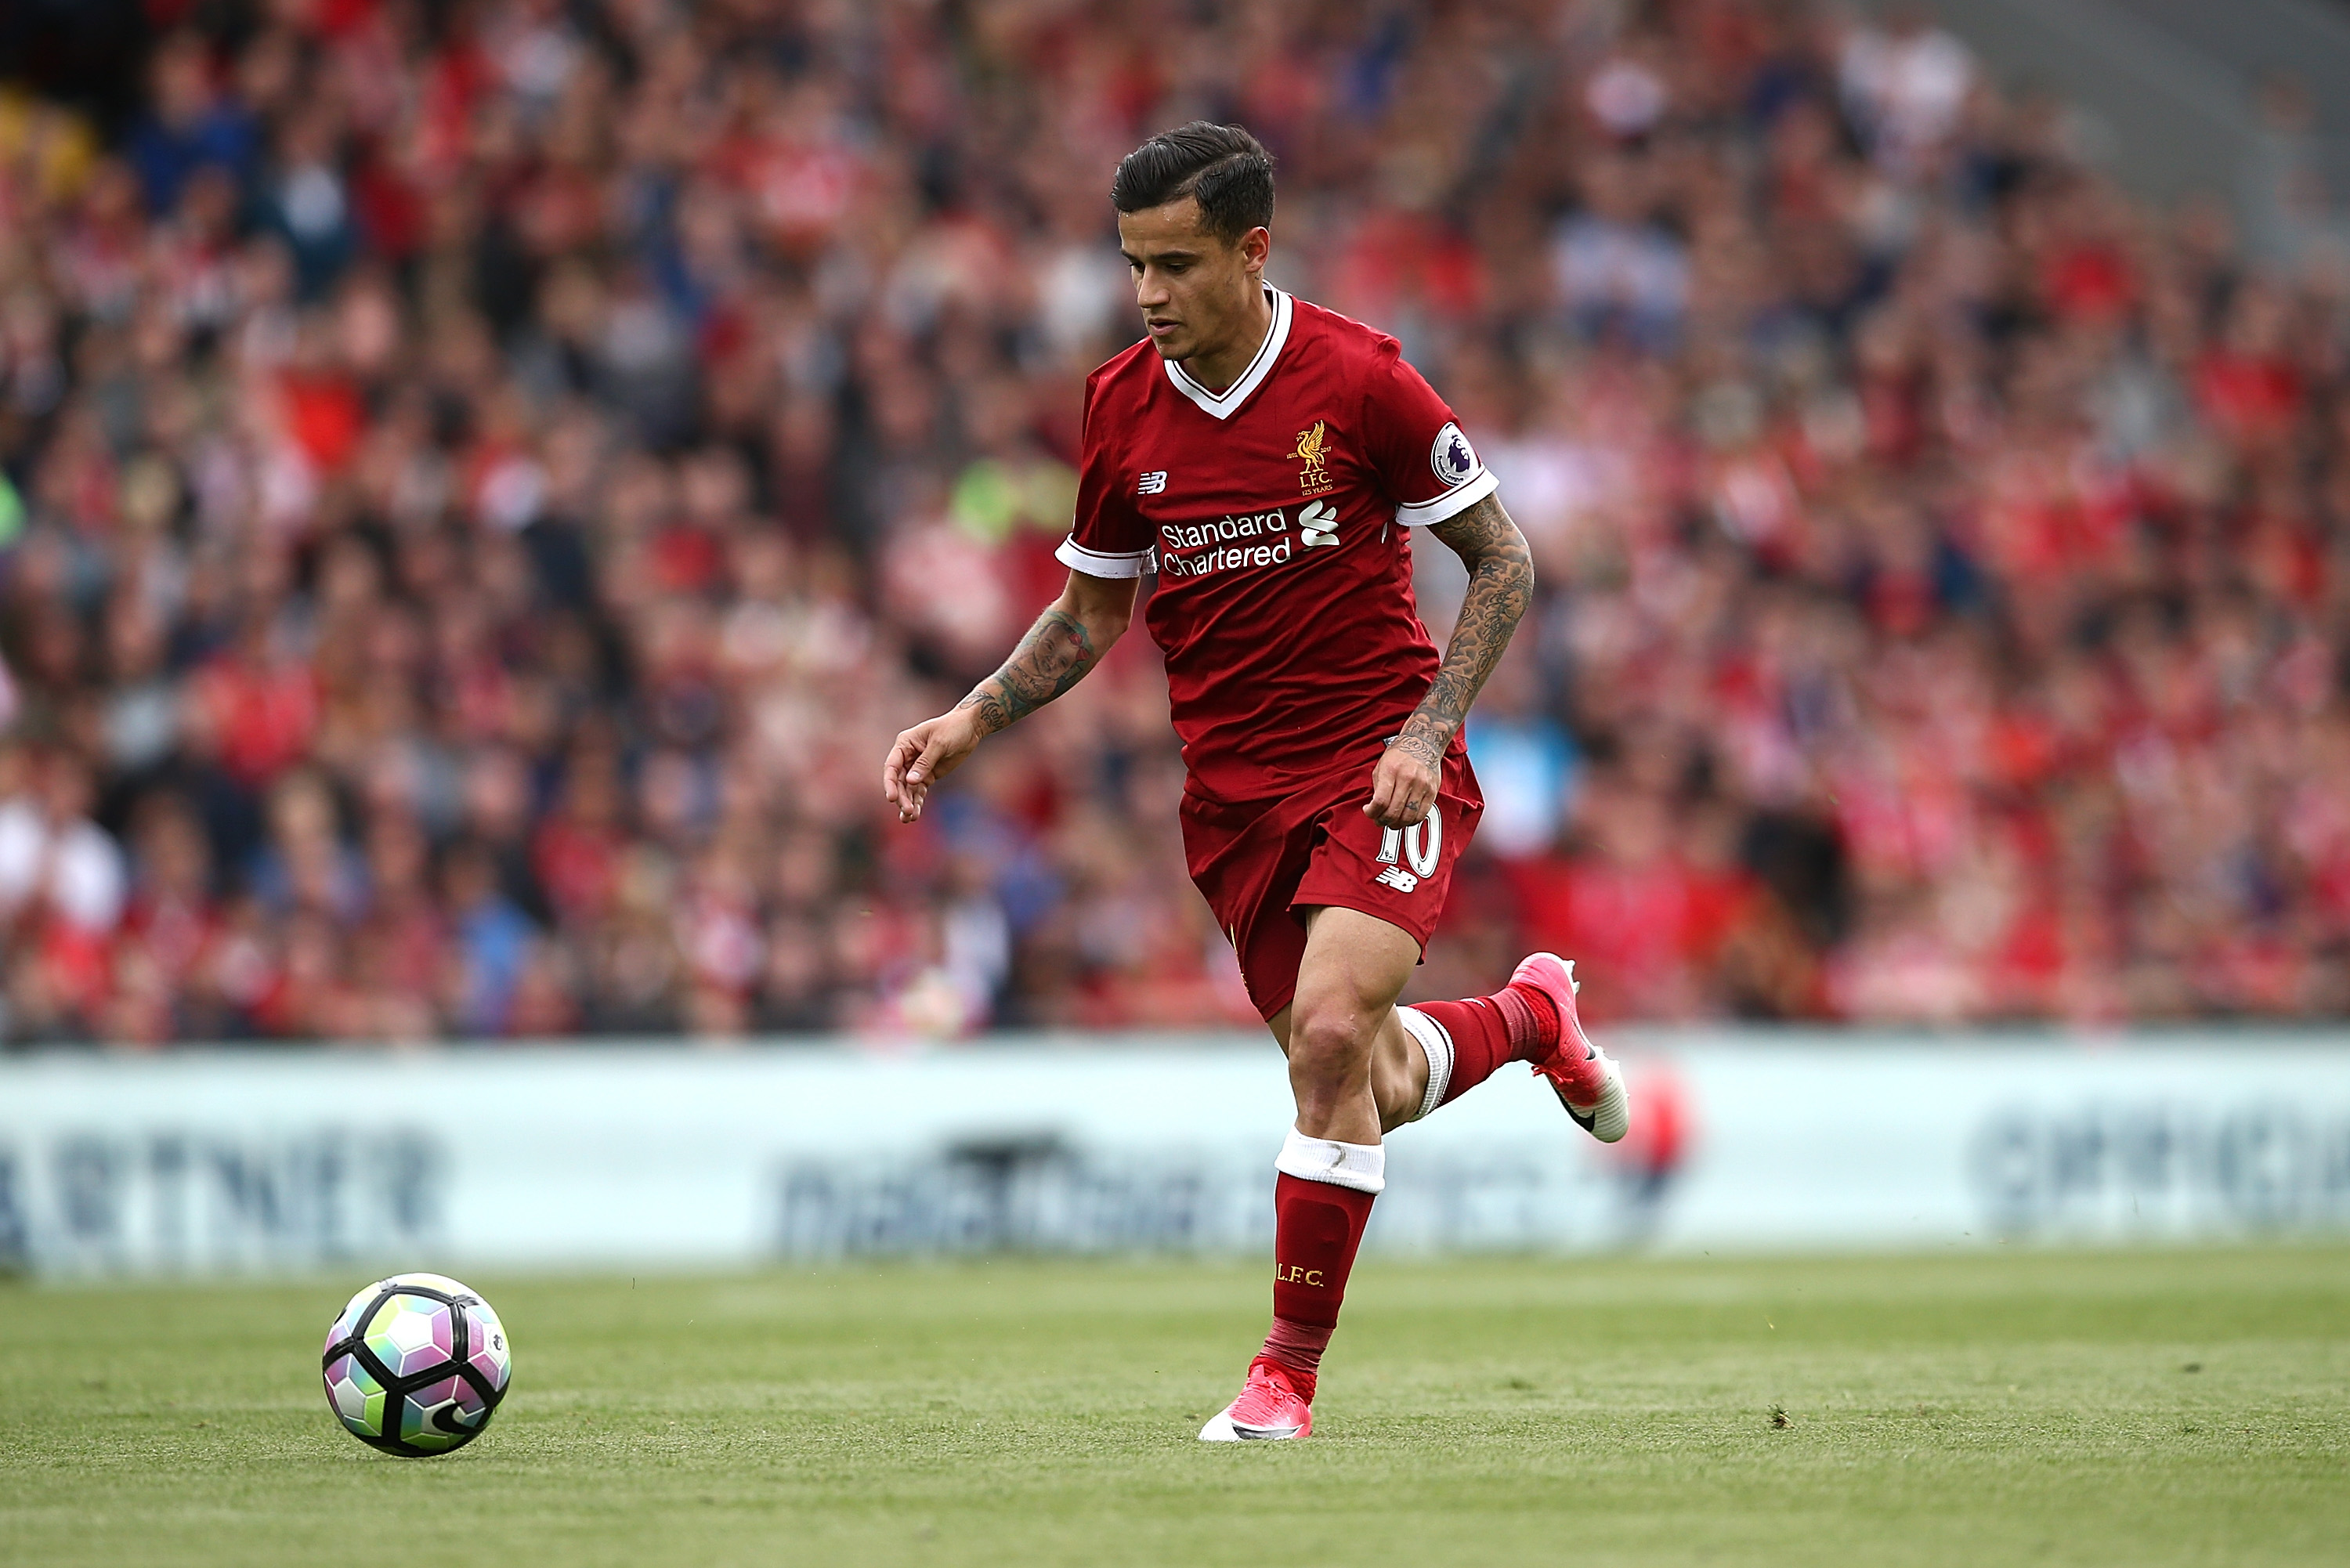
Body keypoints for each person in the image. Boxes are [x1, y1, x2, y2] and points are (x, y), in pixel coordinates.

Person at [880, 122, 1629, 1441]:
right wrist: (972, 716)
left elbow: (1504, 561)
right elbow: (1089, 616)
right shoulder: (1121, 405)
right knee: (1368, 1079)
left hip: (1383, 765)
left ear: (1253, 249)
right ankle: (1528, 1017)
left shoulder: (1365, 380)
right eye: (1133, 267)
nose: (1151, 292)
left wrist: (1428, 729)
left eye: (1176, 262)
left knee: (1332, 1037)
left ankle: (1283, 1379)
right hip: (1233, 803)